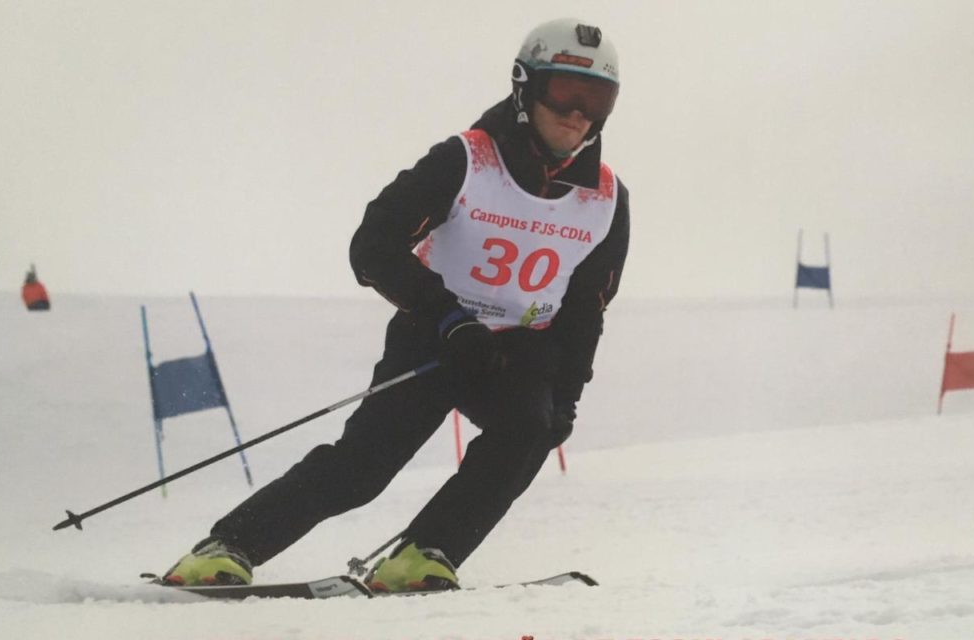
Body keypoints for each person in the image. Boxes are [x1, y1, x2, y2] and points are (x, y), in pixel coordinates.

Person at [161, 17, 630, 593]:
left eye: (597, 98)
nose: (579, 113)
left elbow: (586, 308)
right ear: (525, 88)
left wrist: (568, 395)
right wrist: (449, 317)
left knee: (530, 429)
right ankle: (226, 547)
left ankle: (424, 555)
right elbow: (373, 246)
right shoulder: (467, 159)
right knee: (363, 469)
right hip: (436, 335)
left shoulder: (606, 199)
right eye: (565, 92)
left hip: (518, 352)